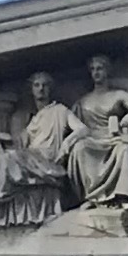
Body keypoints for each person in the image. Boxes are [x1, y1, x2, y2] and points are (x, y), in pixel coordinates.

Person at [69, 54, 128, 216]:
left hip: (114, 137)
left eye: (100, 68)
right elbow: (70, 123)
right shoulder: (83, 101)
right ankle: (93, 197)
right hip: (92, 140)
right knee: (79, 148)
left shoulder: (118, 95)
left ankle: (124, 196)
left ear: (107, 71)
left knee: (125, 148)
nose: (96, 72)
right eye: (93, 69)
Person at [16, 72, 82, 217]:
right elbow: (21, 144)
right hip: (31, 158)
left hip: (46, 160)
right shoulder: (32, 119)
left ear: (50, 89)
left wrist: (67, 143)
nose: (41, 88)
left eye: (45, 85)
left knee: (10, 158)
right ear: (31, 90)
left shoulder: (60, 110)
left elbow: (83, 129)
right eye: (37, 85)